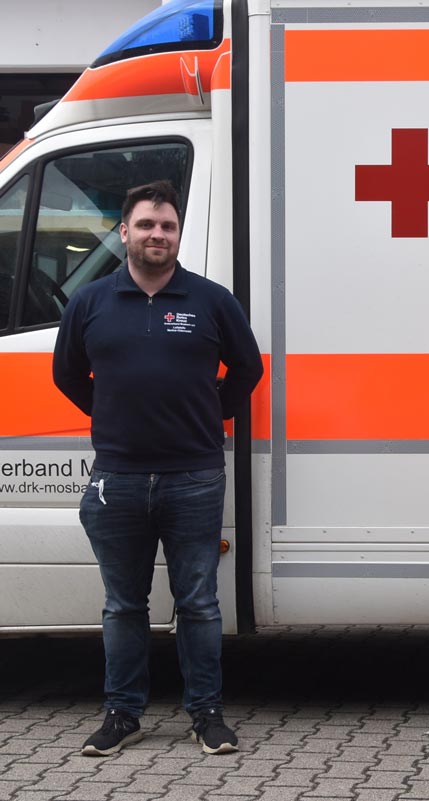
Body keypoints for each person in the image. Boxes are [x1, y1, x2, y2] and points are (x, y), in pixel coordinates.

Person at [52, 180, 263, 757]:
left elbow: (246, 370)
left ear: (178, 233)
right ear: (124, 232)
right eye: (146, 225)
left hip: (193, 476)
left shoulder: (211, 300)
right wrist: (113, 413)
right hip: (116, 478)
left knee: (197, 602)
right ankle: (123, 714)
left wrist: (206, 414)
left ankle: (207, 714)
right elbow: (66, 375)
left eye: (167, 226)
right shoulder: (90, 302)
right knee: (123, 605)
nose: (157, 235)